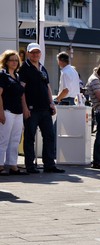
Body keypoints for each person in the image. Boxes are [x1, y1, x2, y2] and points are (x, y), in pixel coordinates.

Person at [18, 43, 65, 174]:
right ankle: (30, 165)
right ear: (28, 53)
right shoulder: (24, 69)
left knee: (49, 136)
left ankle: (49, 164)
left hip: (45, 109)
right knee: (29, 138)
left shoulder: (42, 68)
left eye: (37, 52)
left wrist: (52, 103)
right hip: (32, 109)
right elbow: (22, 91)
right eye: (32, 52)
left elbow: (47, 87)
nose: (35, 54)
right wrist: (25, 108)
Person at [0, 50, 29, 175]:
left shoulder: (17, 76)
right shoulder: (2, 75)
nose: (14, 62)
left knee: (15, 139)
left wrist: (25, 109)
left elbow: (21, 95)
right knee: (3, 139)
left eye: (16, 60)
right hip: (7, 111)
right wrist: (1, 112)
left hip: (18, 112)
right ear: (6, 61)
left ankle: (13, 165)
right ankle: (0, 165)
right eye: (11, 60)